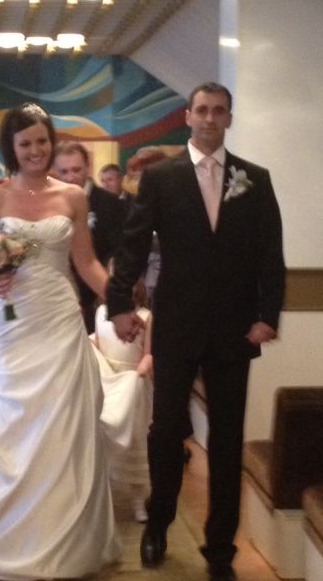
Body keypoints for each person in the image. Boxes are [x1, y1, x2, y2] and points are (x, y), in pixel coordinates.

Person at [0, 102, 120, 579]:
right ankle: (6, 535)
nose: (36, 150)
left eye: (42, 141)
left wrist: (122, 300)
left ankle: (62, 538)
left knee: (62, 423)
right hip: (13, 322)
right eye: (26, 143)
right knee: (9, 418)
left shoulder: (72, 197)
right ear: (11, 148)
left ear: (52, 141)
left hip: (59, 320)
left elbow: (86, 262)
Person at [106, 82, 285, 581]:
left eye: (218, 111)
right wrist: (119, 304)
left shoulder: (255, 179)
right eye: (202, 110)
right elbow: (133, 243)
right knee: (166, 430)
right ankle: (159, 522)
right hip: (177, 323)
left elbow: (270, 251)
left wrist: (267, 315)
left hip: (234, 327)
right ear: (188, 116)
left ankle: (220, 548)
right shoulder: (161, 177)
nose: (209, 118)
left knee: (227, 438)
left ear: (229, 118)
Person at [93, 276, 153, 523]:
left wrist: (141, 371)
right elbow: (98, 342)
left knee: (136, 441)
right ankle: (102, 495)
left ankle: (138, 498)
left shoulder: (146, 317)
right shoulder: (101, 313)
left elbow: (149, 353)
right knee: (103, 435)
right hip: (108, 381)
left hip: (133, 383)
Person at [53, 141, 127, 333]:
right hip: (55, 293)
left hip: (95, 294)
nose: (70, 177)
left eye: (76, 170)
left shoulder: (110, 203)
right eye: (64, 171)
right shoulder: (48, 204)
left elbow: (118, 248)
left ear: (88, 167)